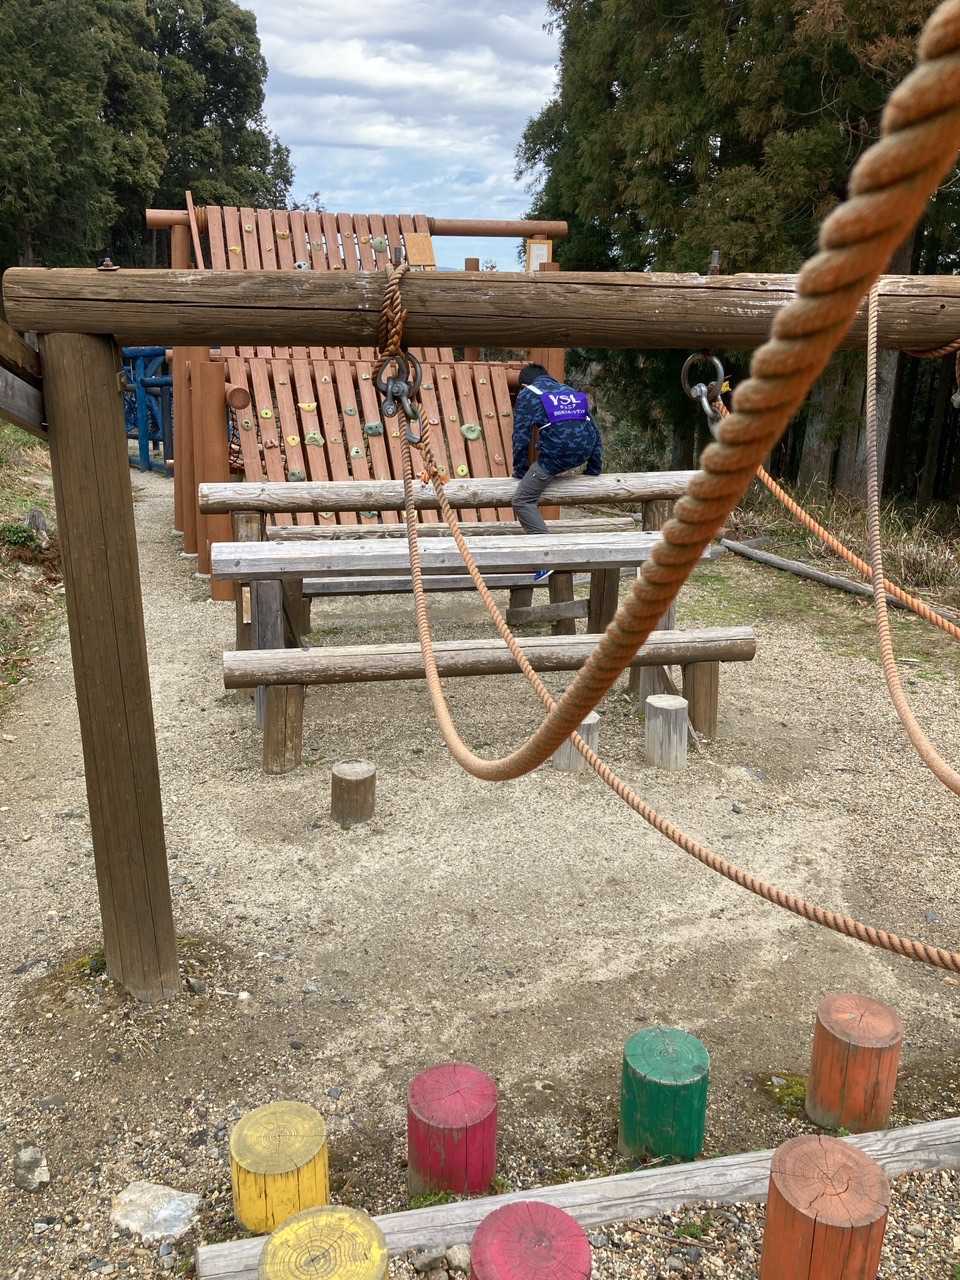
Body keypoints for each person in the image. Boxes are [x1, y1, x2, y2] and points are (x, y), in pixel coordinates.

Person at [511, 365, 603, 572]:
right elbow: (594, 430)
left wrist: (520, 471)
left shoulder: (528, 394)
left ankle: (548, 556)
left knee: (522, 500)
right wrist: (593, 469)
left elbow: (521, 437)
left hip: (556, 456)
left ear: (524, 384)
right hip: (585, 452)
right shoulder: (569, 391)